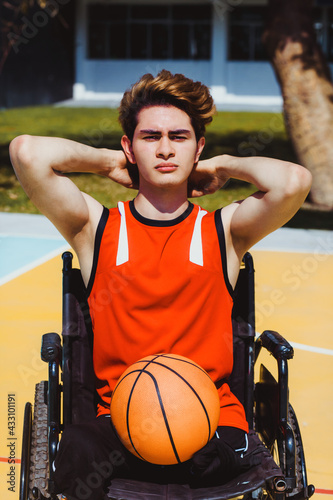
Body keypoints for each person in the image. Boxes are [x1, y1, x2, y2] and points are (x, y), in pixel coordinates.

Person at [10, 70, 312, 500]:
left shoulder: (222, 232)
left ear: (198, 147)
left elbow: (295, 182)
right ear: (129, 147)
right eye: (150, 137)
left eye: (180, 137)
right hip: (120, 425)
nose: (166, 149)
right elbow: (26, 151)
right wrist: (107, 161)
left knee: (234, 454)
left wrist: (221, 167)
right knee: (76, 449)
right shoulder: (96, 229)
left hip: (212, 426)